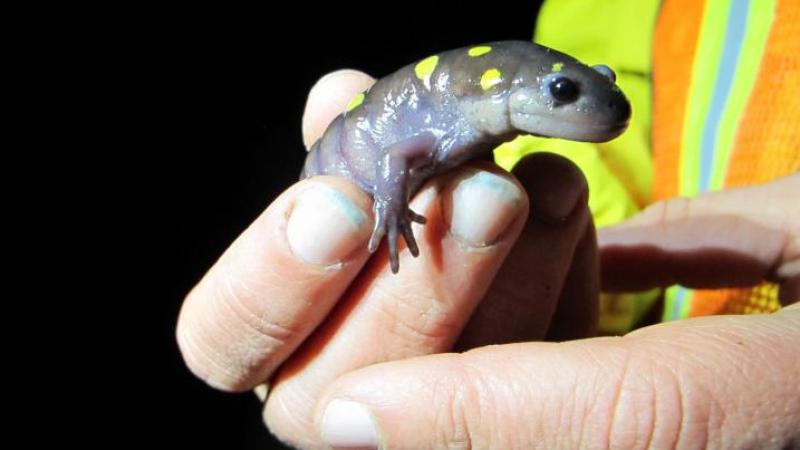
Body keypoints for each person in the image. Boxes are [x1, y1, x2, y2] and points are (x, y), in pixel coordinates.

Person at [177, 0, 799, 447]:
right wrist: (576, 260)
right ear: (504, 89)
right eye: (561, 91)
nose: (594, 102)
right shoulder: (601, 23)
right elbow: (396, 156)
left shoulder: (497, 114)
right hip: (349, 180)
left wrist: (557, 258)